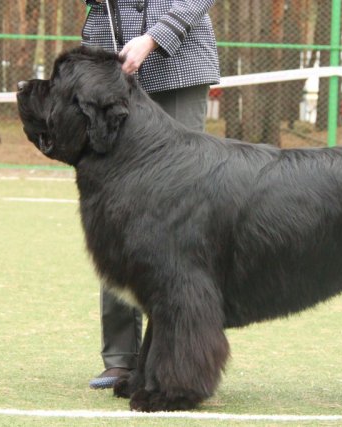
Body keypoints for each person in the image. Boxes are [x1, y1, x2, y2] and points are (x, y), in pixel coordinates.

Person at [80, 0, 220, 389]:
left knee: (178, 224)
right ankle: (121, 358)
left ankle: (174, 358)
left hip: (180, 65)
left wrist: (156, 37)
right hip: (109, 67)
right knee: (115, 216)